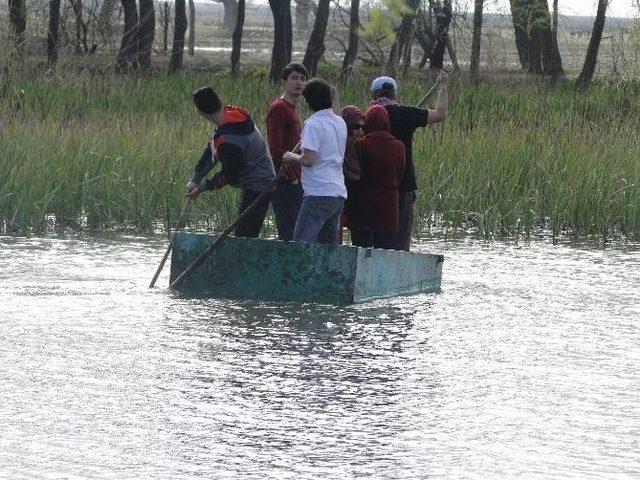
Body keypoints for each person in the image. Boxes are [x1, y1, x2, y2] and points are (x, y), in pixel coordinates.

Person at [369, 71, 448, 251]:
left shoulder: (367, 116)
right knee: (400, 240)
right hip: (403, 184)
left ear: (373, 94)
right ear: (395, 94)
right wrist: (443, 87)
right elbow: (440, 114)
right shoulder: (405, 114)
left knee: (376, 240)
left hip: (373, 187)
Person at [185, 86, 276, 238]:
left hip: (260, 185)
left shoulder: (231, 139)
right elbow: (212, 150)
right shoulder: (230, 116)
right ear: (221, 102)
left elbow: (229, 174)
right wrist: (194, 180)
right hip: (255, 182)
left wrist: (202, 187)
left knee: (244, 235)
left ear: (201, 113)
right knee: (243, 233)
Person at [282, 79, 347, 245]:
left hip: (318, 193)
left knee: (300, 244)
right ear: (330, 99)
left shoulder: (313, 124)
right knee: (328, 248)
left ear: (307, 101)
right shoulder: (340, 122)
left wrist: (290, 157)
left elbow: (309, 160)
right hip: (337, 193)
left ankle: (300, 272)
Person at [348, 105, 405, 249]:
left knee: (362, 252)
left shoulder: (361, 144)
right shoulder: (399, 146)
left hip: (364, 206)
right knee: (385, 253)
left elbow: (356, 174)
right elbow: (400, 174)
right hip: (389, 206)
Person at [265, 63, 308, 241]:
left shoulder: (292, 109)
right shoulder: (278, 108)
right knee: (289, 233)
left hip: (297, 180)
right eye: (294, 78)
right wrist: (291, 178)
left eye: (303, 79)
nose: (299, 83)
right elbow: (276, 148)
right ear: (283, 82)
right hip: (285, 181)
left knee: (297, 232)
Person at [339, 105, 365, 242]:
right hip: (344, 195)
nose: (360, 131)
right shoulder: (341, 143)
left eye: (363, 127)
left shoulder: (363, 145)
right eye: (356, 127)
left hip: (357, 198)